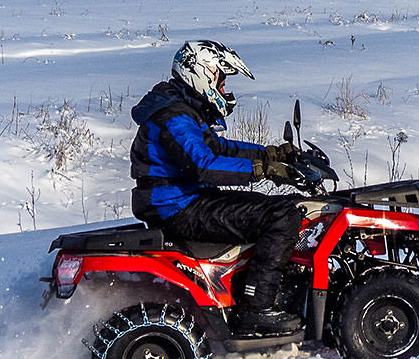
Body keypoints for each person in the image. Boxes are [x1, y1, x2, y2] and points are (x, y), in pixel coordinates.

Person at [129, 40, 306, 335]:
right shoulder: (172, 116)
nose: (224, 91)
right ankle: (257, 308)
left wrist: (269, 155)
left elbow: (218, 147)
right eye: (221, 82)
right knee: (282, 215)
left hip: (180, 200)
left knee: (266, 205)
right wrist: (262, 170)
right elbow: (204, 164)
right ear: (202, 73)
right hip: (178, 206)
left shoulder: (178, 108)